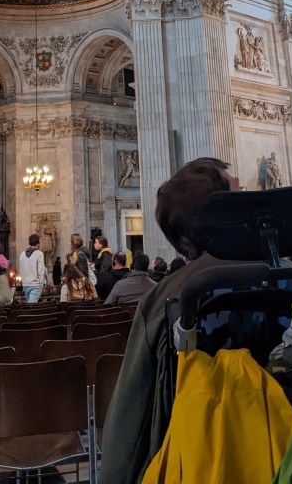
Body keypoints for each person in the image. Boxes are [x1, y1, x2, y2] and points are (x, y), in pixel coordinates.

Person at [99, 156, 239, 484]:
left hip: (197, 460)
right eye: (238, 192)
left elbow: (129, 422)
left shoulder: (162, 298)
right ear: (218, 211)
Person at [18, 233, 45, 304]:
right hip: (35, 285)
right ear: (38, 243)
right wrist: (41, 285)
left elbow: (21, 270)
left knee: (29, 306)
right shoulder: (39, 254)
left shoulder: (22, 254)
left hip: (25, 284)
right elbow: (41, 271)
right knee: (31, 308)